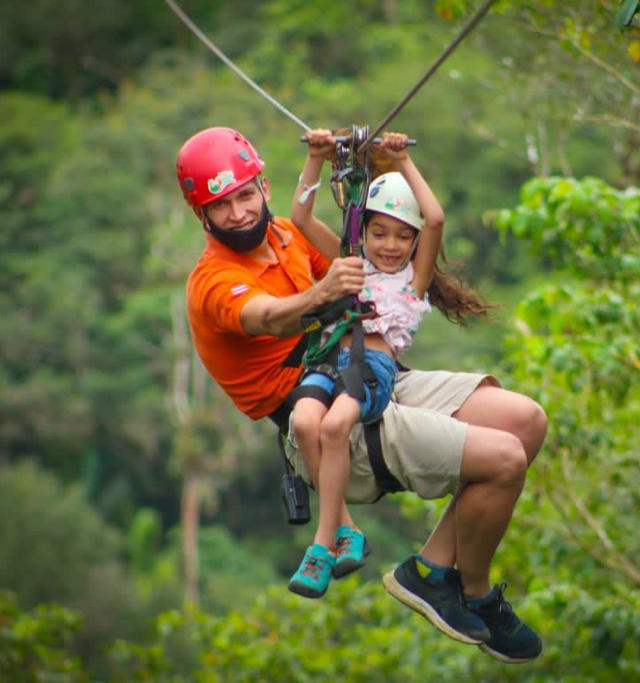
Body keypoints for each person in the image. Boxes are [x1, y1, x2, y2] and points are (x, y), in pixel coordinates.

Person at [178, 126, 547, 663]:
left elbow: (376, 251)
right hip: (325, 419)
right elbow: (269, 319)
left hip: (373, 373)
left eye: (244, 195)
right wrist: (322, 293)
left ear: (262, 185)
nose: (237, 213)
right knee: (505, 460)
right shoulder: (213, 281)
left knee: (527, 421)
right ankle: (476, 593)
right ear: (202, 216)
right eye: (221, 206)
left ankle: (430, 572)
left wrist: (368, 159)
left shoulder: (286, 234)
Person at [284, 131, 493, 600]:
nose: (391, 245)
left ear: (415, 243)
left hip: (373, 370)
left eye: (403, 236)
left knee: (336, 425)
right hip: (331, 360)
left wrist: (400, 161)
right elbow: (299, 216)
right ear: (362, 233)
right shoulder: (350, 261)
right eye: (379, 233)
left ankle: (323, 544)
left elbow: (435, 217)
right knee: (302, 421)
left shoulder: (412, 283)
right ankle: (347, 531)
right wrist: (315, 159)